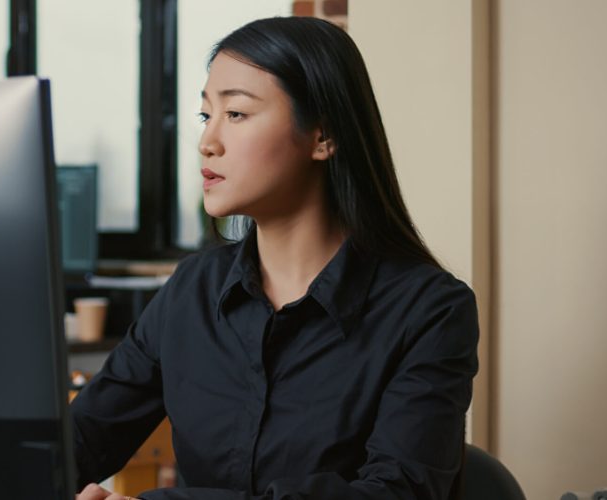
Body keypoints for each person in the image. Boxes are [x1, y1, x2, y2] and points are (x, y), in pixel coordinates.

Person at [71, 16, 479, 500]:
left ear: (322, 136)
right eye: (207, 116)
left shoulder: (430, 311)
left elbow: (395, 493)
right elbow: (76, 445)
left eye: (236, 114)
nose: (207, 142)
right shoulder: (192, 290)